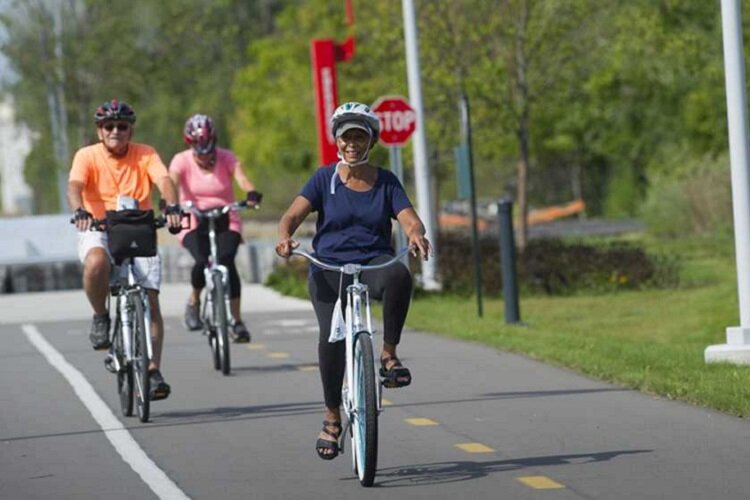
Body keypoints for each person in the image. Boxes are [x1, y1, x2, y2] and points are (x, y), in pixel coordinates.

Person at [275, 102, 432, 460]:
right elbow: (292, 215)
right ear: (337, 140)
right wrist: (285, 237)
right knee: (332, 337)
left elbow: (409, 219)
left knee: (398, 276)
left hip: (372, 260)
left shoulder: (386, 181)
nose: (352, 144)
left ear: (371, 141)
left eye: (360, 136)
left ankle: (389, 355)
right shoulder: (323, 178)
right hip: (328, 267)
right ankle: (332, 417)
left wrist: (415, 235)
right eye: (347, 136)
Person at [68, 99, 182, 400]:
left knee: (151, 299)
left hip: (137, 227)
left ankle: (153, 369)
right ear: (100, 130)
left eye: (122, 126)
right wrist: (80, 211)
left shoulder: (145, 153)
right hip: (100, 227)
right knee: (95, 263)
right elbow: (75, 186)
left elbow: (164, 180)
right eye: (109, 126)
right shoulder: (87, 155)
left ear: (130, 130)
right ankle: (101, 317)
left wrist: (172, 206)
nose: (116, 131)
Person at [169, 114, 261, 342]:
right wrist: (169, 203)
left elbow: (242, 178)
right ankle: (194, 300)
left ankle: (237, 321)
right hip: (193, 217)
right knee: (201, 260)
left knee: (227, 261)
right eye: (199, 150)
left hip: (225, 215)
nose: (205, 156)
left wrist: (250, 193)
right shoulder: (181, 160)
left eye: (209, 150)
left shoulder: (226, 157)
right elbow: (171, 181)